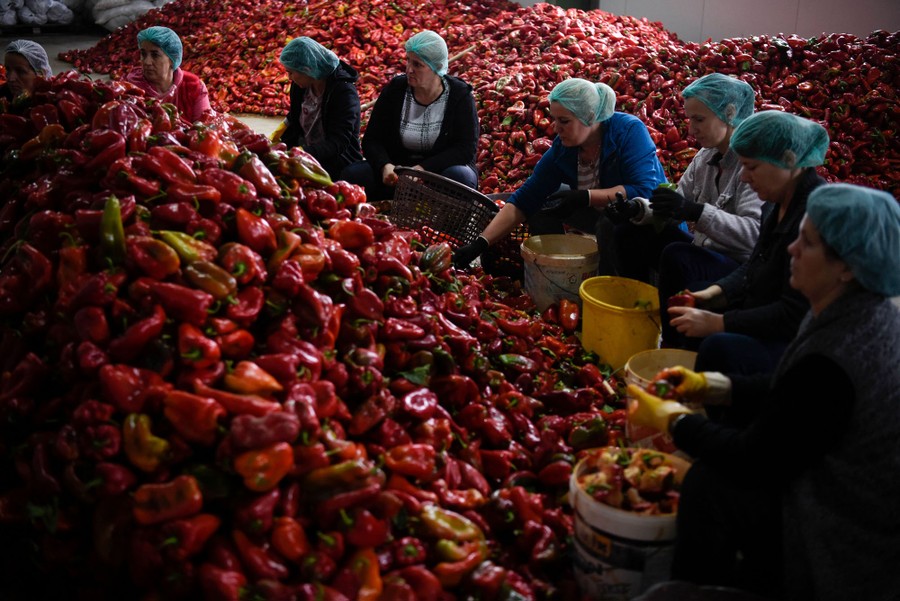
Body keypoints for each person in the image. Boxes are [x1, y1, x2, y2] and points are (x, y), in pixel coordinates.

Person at [626, 182, 900, 600]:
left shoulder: (839, 354)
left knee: (711, 482)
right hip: (830, 481)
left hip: (841, 530)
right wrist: (713, 387)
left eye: (806, 243)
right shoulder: (855, 307)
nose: (791, 249)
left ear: (846, 265)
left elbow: (754, 456)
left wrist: (675, 422)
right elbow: (791, 392)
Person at [665, 110, 829, 375]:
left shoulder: (814, 216)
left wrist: (721, 323)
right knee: (692, 306)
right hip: (764, 308)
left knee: (719, 346)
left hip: (798, 340)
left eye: (751, 167)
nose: (743, 177)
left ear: (789, 161)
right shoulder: (776, 206)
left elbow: (793, 314)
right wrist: (709, 296)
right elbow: (754, 267)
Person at [452, 77, 666, 270]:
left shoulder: (628, 131)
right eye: (554, 119)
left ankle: (611, 284)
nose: (556, 128)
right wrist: (480, 243)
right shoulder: (564, 149)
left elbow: (644, 190)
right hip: (599, 213)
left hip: (647, 221)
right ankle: (556, 268)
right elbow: (526, 198)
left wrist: (586, 197)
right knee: (544, 203)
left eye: (564, 121)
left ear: (590, 117)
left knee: (609, 222)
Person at [610, 74, 763, 343]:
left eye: (699, 119)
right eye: (690, 119)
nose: (691, 129)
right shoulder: (705, 157)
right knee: (628, 233)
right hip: (706, 252)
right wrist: (637, 210)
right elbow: (676, 204)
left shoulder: (752, 165)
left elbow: (753, 236)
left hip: (740, 267)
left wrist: (696, 212)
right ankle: (639, 317)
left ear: (729, 114)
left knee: (677, 255)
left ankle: (673, 342)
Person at [340, 30, 478, 201]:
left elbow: (465, 149)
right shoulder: (396, 89)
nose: (409, 70)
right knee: (352, 175)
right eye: (408, 61)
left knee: (460, 177)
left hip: (438, 173)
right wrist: (385, 166)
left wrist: (422, 170)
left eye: (418, 65)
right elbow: (372, 139)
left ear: (437, 68)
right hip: (399, 171)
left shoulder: (459, 95)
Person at [270, 37, 362, 181]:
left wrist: (302, 152)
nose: (289, 77)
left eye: (291, 72)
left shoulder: (343, 93)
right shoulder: (301, 85)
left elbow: (337, 143)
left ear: (307, 69)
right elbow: (296, 114)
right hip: (307, 153)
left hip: (336, 162)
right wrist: (284, 129)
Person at [125, 26, 212, 123]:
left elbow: (205, 128)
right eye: (143, 54)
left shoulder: (193, 86)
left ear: (172, 59)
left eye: (155, 55)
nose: (147, 62)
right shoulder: (130, 88)